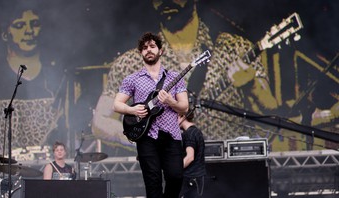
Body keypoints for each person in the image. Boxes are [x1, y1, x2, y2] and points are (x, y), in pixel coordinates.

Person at [92, 0, 277, 149]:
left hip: (228, 168)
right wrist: (142, 138)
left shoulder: (235, 48)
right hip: (165, 169)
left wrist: (250, 84)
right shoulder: (131, 62)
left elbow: (271, 110)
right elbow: (99, 122)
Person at [0, 0, 72, 151]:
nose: (29, 31)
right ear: (5, 33)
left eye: (34, 24)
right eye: (19, 25)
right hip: (0, 170)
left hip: (46, 170)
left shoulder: (59, 77)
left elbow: (70, 133)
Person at [113, 32, 189, 197]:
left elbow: (184, 107)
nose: (148, 50)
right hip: (147, 137)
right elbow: (117, 104)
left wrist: (171, 101)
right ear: (141, 53)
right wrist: (133, 110)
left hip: (172, 136)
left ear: (160, 51)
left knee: (175, 177)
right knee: (152, 182)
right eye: (145, 48)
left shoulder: (174, 77)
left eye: (152, 46)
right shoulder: (132, 79)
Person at [178, 107, 206, 198]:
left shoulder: (189, 133)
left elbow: (190, 157)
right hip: (197, 177)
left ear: (182, 116)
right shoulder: (196, 132)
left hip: (190, 178)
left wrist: (175, 170)